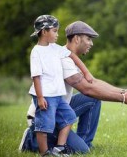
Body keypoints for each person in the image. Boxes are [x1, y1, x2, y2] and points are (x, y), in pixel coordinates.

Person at [19, 20, 127, 154]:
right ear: (76, 39)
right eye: (88, 39)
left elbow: (93, 83)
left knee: (92, 101)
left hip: (59, 108)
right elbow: (86, 89)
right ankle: (31, 139)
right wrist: (123, 98)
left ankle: (84, 142)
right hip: (45, 111)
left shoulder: (67, 55)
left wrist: (123, 92)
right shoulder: (62, 59)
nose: (91, 43)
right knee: (81, 149)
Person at [28, 15, 93, 156]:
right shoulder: (36, 52)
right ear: (44, 31)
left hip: (57, 96)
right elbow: (36, 77)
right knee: (45, 125)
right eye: (55, 31)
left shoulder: (55, 48)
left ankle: (60, 148)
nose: (58, 34)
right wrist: (40, 97)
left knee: (69, 117)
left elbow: (72, 56)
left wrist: (86, 72)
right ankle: (43, 152)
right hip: (45, 95)